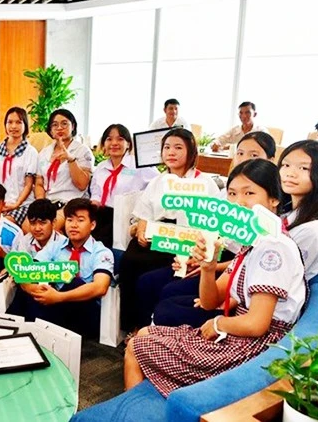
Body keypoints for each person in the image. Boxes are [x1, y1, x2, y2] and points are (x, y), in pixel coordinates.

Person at [124, 159, 306, 398]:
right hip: (238, 332)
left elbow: (257, 324)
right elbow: (210, 302)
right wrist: (208, 269)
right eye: (232, 193)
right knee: (144, 333)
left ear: (274, 199)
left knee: (136, 346)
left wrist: (219, 323)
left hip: (254, 347)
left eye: (249, 193)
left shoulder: (273, 248)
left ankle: (138, 409)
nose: (238, 203)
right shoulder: (253, 242)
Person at [138, 132, 277, 328]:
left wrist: (209, 266)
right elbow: (208, 233)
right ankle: (145, 331)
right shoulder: (223, 194)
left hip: (229, 266)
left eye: (253, 155)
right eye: (240, 153)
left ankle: (155, 334)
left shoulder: (273, 229)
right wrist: (196, 258)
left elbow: (246, 272)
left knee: (169, 295)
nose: (245, 160)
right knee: (147, 278)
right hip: (217, 257)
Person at [117, 128, 219, 332]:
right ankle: (131, 325)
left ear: (191, 151)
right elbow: (144, 212)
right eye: (167, 147)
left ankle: (147, 327)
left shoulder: (204, 182)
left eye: (178, 148)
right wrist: (142, 229)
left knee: (148, 277)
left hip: (185, 242)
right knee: (129, 260)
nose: (171, 152)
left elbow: (212, 224)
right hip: (158, 233)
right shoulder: (158, 181)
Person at [14, 199, 113, 337]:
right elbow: (28, 272)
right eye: (69, 220)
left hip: (84, 312)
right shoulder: (55, 245)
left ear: (92, 225)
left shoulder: (101, 252)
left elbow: (100, 287)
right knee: (29, 285)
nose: (74, 225)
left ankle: (36, 331)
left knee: (74, 282)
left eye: (80, 220)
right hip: (54, 305)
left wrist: (59, 297)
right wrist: (35, 290)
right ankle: (16, 330)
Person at [89, 124, 158, 248]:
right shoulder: (101, 167)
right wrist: (95, 201)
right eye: (109, 139)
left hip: (126, 218)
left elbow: (157, 185)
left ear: (128, 144)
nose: (114, 143)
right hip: (102, 216)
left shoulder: (138, 165)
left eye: (120, 139)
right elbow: (96, 191)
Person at [278, 140, 318, 281]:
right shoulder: (288, 210)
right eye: (286, 165)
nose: (290, 173)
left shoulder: (312, 230)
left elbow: (280, 276)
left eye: (303, 168)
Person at [34, 109, 94, 232]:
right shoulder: (44, 153)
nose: (59, 128)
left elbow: (82, 184)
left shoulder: (82, 151)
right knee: (28, 226)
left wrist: (71, 160)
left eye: (64, 123)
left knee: (49, 228)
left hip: (71, 202)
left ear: (73, 126)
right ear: (50, 130)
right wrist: (41, 204)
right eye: (55, 125)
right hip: (49, 202)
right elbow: (39, 182)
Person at [0, 107, 38, 226]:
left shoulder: (31, 152)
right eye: (10, 122)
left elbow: (29, 184)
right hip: (0, 204)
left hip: (22, 204)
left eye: (18, 122)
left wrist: (16, 204)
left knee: (2, 225)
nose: (13, 126)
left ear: (25, 125)